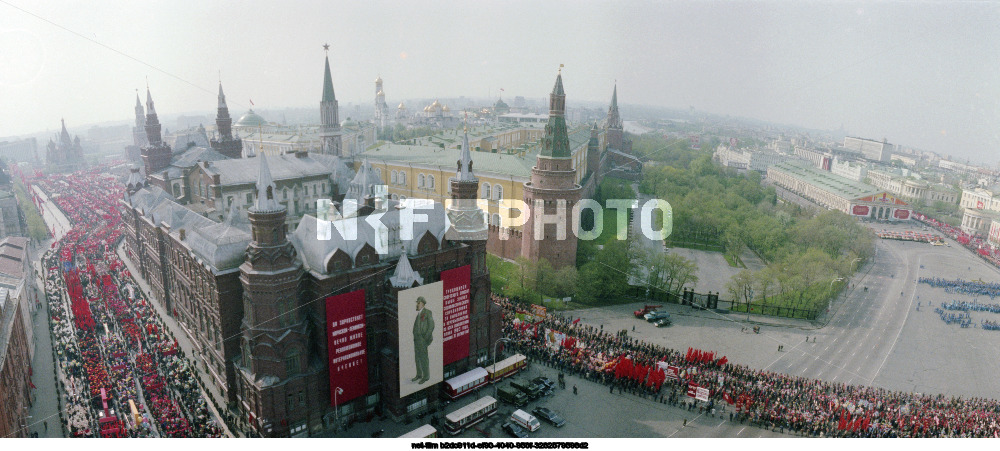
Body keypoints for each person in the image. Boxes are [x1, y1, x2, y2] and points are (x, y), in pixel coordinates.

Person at [411, 296, 434, 384]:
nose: (417, 305)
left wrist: (425, 338)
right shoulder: (418, 314)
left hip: (422, 339)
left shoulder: (427, 312)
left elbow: (431, 325)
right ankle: (419, 374)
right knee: (417, 357)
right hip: (416, 339)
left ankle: (426, 376)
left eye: (418, 303)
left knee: (423, 358)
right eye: (417, 303)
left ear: (423, 304)